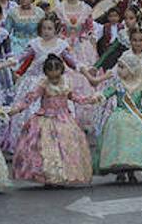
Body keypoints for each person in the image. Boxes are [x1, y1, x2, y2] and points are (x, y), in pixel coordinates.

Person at [10, 55, 99, 187]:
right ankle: (48, 175)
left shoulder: (66, 83)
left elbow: (74, 96)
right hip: (46, 118)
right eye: (50, 71)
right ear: (46, 72)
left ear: (61, 70)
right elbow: (31, 98)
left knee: (66, 147)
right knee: (46, 148)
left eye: (56, 70)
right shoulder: (43, 84)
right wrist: (17, 108)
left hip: (64, 119)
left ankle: (63, 174)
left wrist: (88, 100)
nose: (54, 74)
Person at [91, 51, 142, 183]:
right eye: (118, 66)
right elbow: (106, 94)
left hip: (137, 115)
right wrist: (98, 96)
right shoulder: (117, 83)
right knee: (118, 130)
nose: (118, 70)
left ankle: (131, 170)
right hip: (119, 114)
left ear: (132, 69)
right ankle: (120, 171)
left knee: (140, 131)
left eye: (121, 67)